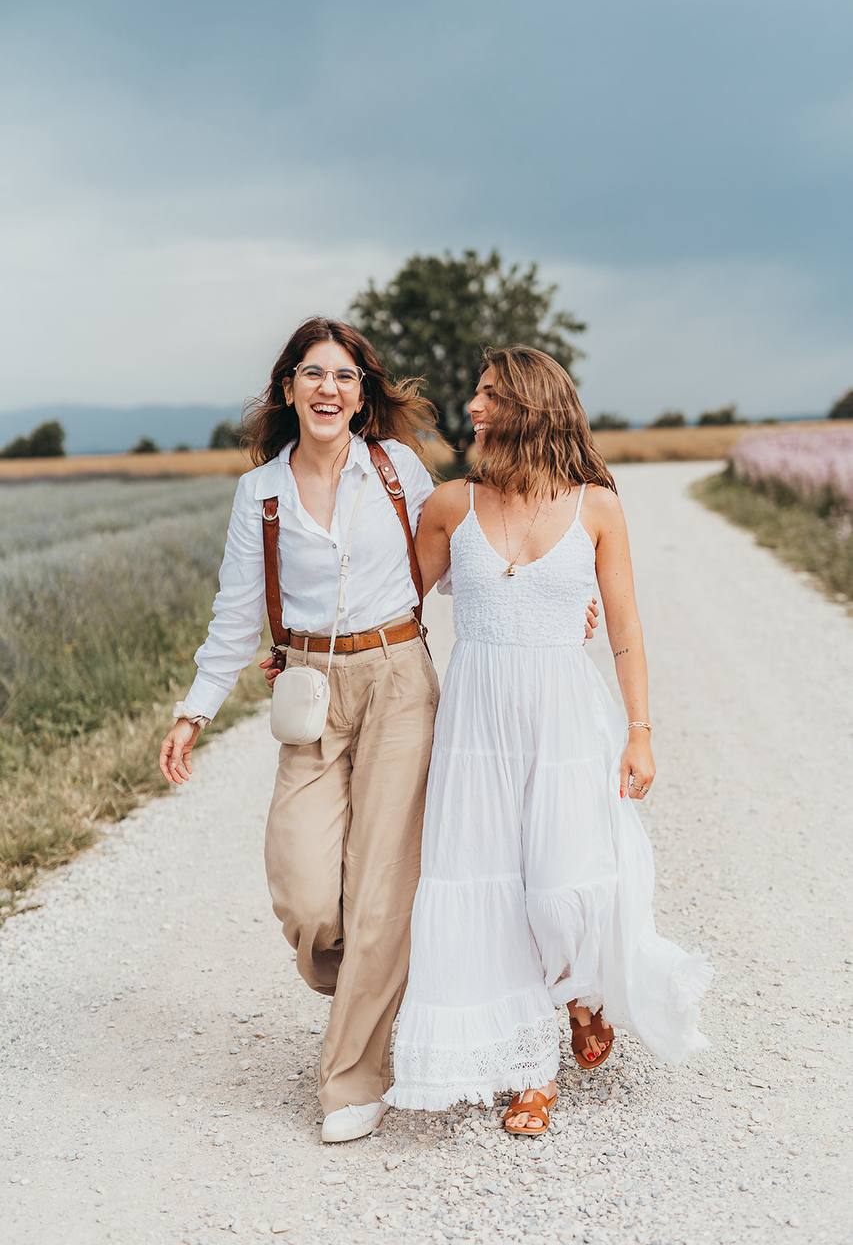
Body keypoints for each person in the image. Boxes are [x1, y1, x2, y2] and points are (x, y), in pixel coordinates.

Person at [384, 346, 712, 1136]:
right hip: (476, 720)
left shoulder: (595, 506)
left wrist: (639, 733)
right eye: (476, 392)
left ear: (530, 407)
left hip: (566, 718)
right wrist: (300, 647)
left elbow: (626, 632)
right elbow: (395, 608)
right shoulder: (450, 505)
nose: (472, 406)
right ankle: (531, 1071)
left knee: (558, 886)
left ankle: (580, 994)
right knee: (487, 888)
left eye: (488, 394)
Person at [159, 317, 441, 1143]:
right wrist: (195, 708)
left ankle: (352, 1078)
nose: (329, 388)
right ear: (288, 389)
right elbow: (236, 614)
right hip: (311, 686)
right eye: (312, 374)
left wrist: (553, 595)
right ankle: (366, 979)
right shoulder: (262, 492)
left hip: (398, 679)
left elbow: (457, 563)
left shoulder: (397, 472)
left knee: (383, 885)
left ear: (363, 396)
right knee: (309, 889)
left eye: (345, 376)